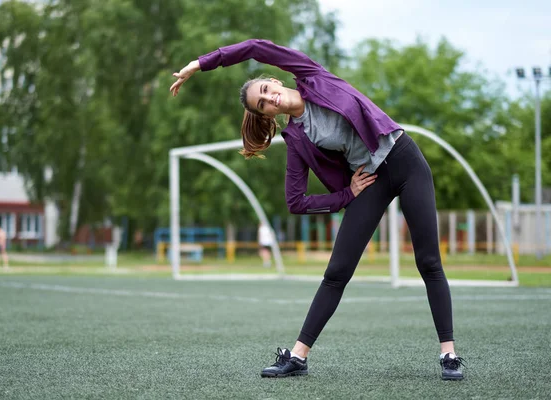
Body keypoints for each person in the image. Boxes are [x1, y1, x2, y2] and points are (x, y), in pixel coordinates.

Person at [170, 39, 465, 381]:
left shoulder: (311, 75)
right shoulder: (296, 138)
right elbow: (295, 202)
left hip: (404, 159)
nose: (269, 99)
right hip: (370, 180)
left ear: (276, 81)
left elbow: (254, 47)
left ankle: (449, 354)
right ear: (268, 114)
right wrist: (345, 195)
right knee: (336, 272)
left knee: (427, 260)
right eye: (263, 105)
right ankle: (298, 357)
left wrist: (201, 63)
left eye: (266, 90)